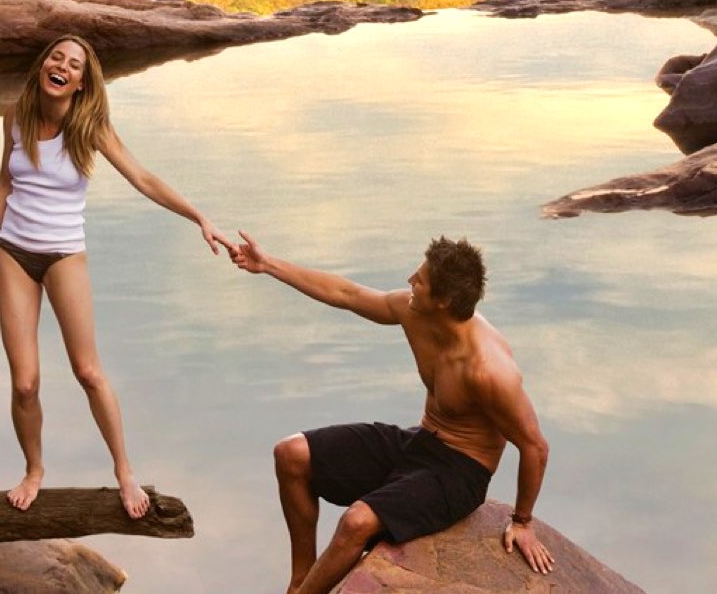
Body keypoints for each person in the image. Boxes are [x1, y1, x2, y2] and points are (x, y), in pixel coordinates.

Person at [0, 34, 235, 519]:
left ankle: (124, 472)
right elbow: (4, 183)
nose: (62, 66)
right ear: (43, 65)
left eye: (74, 65)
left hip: (64, 254)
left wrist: (199, 217)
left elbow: (143, 178)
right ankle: (34, 470)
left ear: (82, 83)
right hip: (14, 254)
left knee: (88, 372)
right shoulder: (15, 115)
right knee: (24, 383)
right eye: (56, 57)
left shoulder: (90, 127)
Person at [228, 231, 553, 594]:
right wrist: (268, 264)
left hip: (460, 471)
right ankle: (300, 582)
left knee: (356, 522)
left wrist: (522, 521)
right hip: (418, 442)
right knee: (291, 454)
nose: (410, 281)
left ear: (443, 300)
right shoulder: (415, 312)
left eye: (420, 280)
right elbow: (347, 294)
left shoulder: (487, 369)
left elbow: (535, 447)